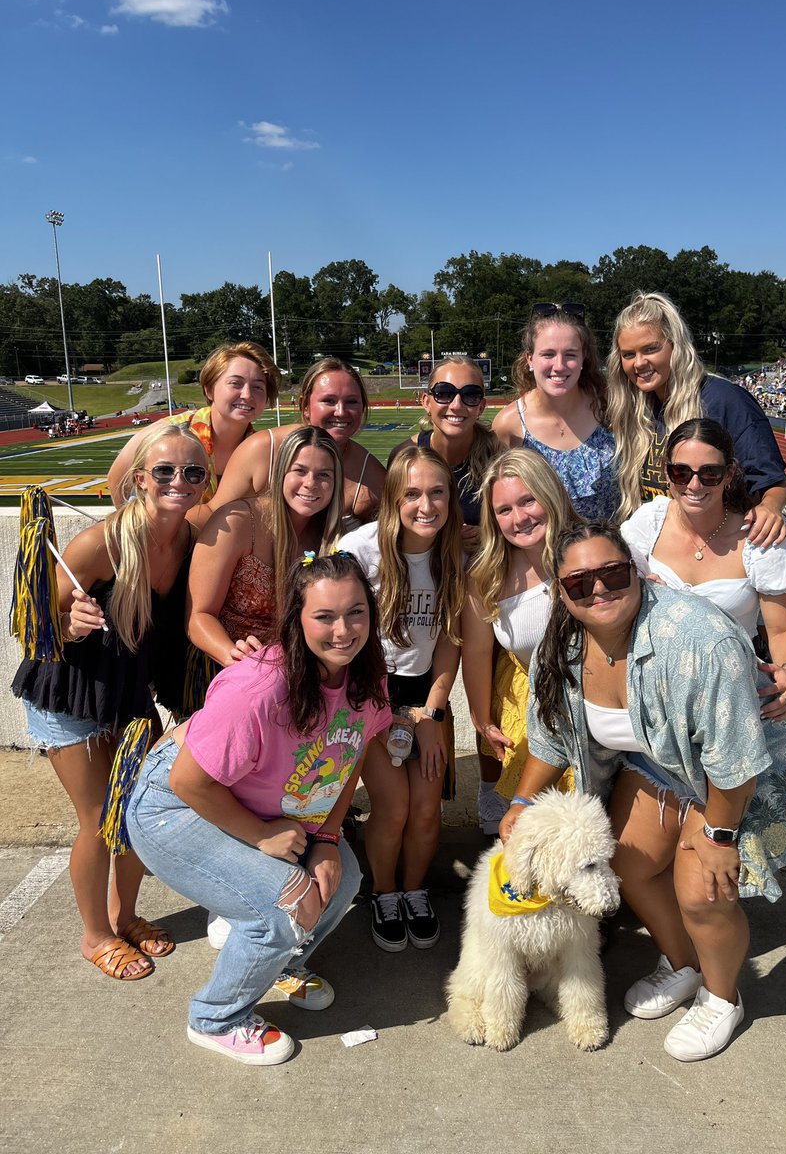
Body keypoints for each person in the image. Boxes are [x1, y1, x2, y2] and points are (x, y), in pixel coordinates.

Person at [501, 522, 786, 1062]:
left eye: (612, 573)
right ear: (561, 593)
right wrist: (518, 801)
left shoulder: (698, 637)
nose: (599, 590)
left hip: (749, 767)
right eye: (580, 583)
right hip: (663, 763)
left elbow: (735, 757)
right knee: (625, 862)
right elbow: (550, 737)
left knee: (702, 887)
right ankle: (682, 963)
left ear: (635, 571)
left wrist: (718, 834)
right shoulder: (561, 646)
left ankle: (722, 996)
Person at [125, 554, 391, 1064]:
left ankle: (279, 962)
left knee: (344, 881)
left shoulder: (366, 672)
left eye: (356, 612)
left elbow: (352, 753)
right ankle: (215, 1017)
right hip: (174, 807)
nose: (343, 630)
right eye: (324, 616)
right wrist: (261, 837)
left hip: (252, 805)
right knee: (286, 903)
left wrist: (330, 840)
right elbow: (188, 781)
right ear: (296, 618)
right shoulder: (260, 687)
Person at [12, 424, 211, 981]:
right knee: (99, 818)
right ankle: (95, 934)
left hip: (128, 698)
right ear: (140, 479)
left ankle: (125, 916)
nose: (179, 481)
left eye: (192, 472)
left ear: (205, 482)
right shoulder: (100, 543)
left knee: (137, 813)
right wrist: (71, 623)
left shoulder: (192, 542)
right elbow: (35, 624)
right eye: (165, 471)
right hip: (69, 692)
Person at [338, 446, 465, 953]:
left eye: (437, 492)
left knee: (427, 810)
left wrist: (431, 712)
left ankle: (415, 891)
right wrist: (387, 714)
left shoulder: (452, 553)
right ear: (392, 499)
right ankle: (384, 892)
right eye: (411, 493)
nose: (425, 505)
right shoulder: (360, 550)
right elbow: (340, 638)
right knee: (392, 809)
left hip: (426, 694)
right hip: (369, 691)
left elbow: (451, 642)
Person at [621, 419, 786, 718]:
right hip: (652, 692)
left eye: (710, 474)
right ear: (666, 472)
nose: (694, 485)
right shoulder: (648, 523)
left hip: (729, 696)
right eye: (680, 472)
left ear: (729, 474)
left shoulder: (760, 540)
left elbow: (783, 629)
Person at [607, 292, 786, 546]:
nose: (639, 363)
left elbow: (774, 483)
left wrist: (770, 507)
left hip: (724, 553)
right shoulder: (633, 408)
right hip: (664, 556)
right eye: (628, 354)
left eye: (651, 349)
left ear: (675, 346)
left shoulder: (723, 400)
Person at [461, 448, 580, 832]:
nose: (519, 518)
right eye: (504, 510)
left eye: (528, 500)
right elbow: (478, 652)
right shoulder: (487, 576)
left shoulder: (592, 550)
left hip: (600, 711)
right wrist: (484, 722)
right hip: (539, 713)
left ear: (550, 493)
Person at [187, 427, 344, 669]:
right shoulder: (237, 522)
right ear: (281, 472)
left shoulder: (335, 538)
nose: (311, 483)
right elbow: (198, 617)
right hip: (226, 668)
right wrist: (236, 657)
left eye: (324, 475)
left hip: (297, 670)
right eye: (299, 471)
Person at [210, 358, 384, 530]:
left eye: (351, 402)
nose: (340, 412)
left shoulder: (371, 474)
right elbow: (212, 515)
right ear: (305, 406)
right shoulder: (262, 449)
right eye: (329, 401)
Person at [491, 303, 619, 522]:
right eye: (548, 354)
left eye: (570, 354)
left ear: (583, 357)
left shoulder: (611, 409)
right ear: (530, 359)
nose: (559, 366)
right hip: (544, 554)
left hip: (612, 551)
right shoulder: (509, 425)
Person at [108, 342, 278, 505]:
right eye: (235, 383)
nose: (247, 395)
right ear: (209, 389)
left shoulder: (259, 448)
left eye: (258, 387)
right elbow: (117, 477)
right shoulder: (168, 431)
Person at [390, 355, 501, 554]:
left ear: (481, 407)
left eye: (471, 395)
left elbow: (523, 522)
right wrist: (446, 537)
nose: (456, 405)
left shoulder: (498, 457)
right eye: (444, 393)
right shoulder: (404, 456)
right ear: (426, 401)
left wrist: (490, 534)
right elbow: (391, 526)